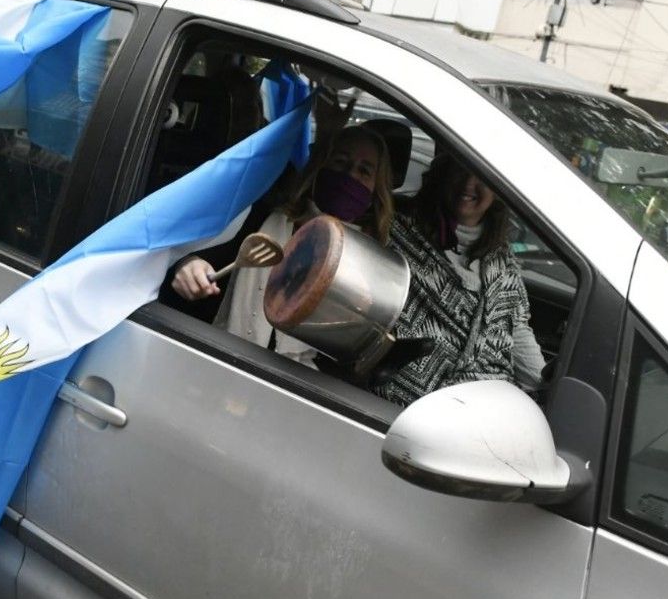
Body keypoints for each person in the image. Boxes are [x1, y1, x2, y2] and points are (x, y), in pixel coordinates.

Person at [170, 125, 395, 366]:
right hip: (221, 360)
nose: (350, 175)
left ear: (375, 191)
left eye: (364, 171)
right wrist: (187, 264)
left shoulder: (371, 267)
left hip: (296, 387)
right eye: (340, 162)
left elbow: (352, 358)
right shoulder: (261, 218)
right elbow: (198, 258)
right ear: (319, 166)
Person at [376, 154, 545, 406]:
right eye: (461, 170)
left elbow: (517, 330)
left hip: (489, 408)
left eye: (483, 177)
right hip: (412, 406)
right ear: (444, 174)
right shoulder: (395, 233)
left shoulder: (502, 260)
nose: (468, 183)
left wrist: (546, 388)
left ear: (498, 190)